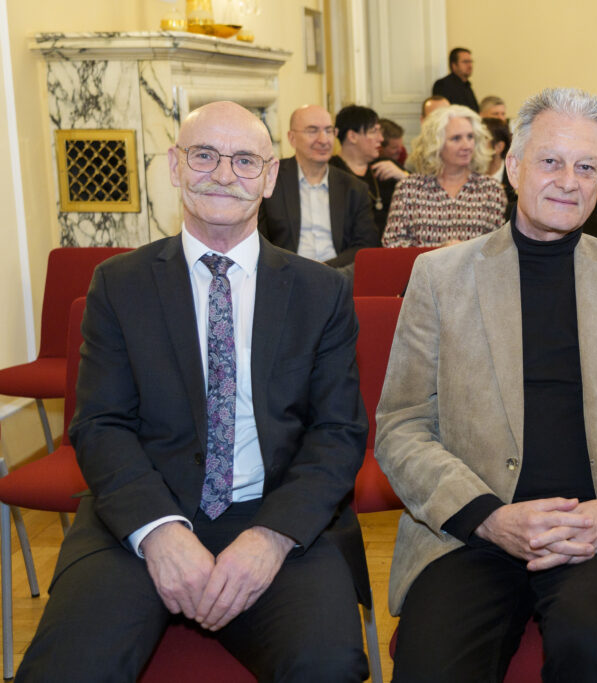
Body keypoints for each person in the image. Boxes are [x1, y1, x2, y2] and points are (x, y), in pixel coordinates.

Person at [16, 101, 369, 682]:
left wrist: (272, 538)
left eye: (244, 160)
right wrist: (158, 532)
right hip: (145, 512)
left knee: (326, 667)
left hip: (277, 516)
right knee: (69, 668)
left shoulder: (320, 292)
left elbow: (338, 432)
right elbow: (100, 423)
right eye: (204, 155)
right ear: (176, 166)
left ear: (270, 175)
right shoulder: (118, 284)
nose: (224, 174)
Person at [375, 87, 597, 682]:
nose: (568, 181)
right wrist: (486, 517)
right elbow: (401, 426)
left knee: (589, 649)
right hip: (471, 533)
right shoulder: (441, 276)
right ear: (513, 166)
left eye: (586, 167)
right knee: (433, 667)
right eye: (551, 161)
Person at [258, 104, 379, 274]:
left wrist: (324, 270)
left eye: (329, 131)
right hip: (285, 274)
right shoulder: (270, 181)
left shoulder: (354, 187)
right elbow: (258, 239)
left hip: (337, 275)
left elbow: (365, 245)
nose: (323, 140)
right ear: (292, 138)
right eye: (312, 131)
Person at [382, 105, 506, 247]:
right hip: (422, 269)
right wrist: (439, 252)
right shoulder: (409, 189)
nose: (467, 145)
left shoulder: (491, 190)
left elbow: (499, 250)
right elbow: (392, 244)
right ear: (435, 144)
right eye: (456, 138)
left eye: (470, 137)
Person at [330, 104, 407, 235]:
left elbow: (424, 198)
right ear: (352, 136)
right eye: (373, 131)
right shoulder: (331, 170)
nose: (381, 139)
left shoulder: (388, 165)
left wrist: (404, 176)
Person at [431, 47, 478, 112]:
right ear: (454, 65)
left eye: (470, 61)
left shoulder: (467, 85)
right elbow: (441, 113)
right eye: (465, 62)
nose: (470, 65)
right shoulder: (442, 85)